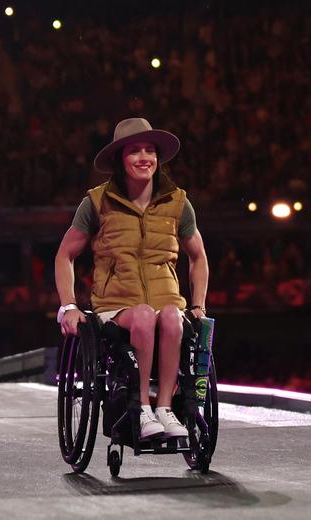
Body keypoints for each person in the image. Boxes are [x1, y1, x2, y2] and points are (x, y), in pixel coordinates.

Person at [55, 117, 209, 441]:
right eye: (134, 151)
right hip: (117, 307)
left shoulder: (178, 203)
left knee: (170, 317)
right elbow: (64, 255)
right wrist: (68, 306)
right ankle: (140, 409)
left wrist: (198, 304)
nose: (144, 157)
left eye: (149, 150)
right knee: (142, 314)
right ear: (120, 159)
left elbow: (198, 257)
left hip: (167, 301)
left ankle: (165, 409)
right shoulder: (96, 202)